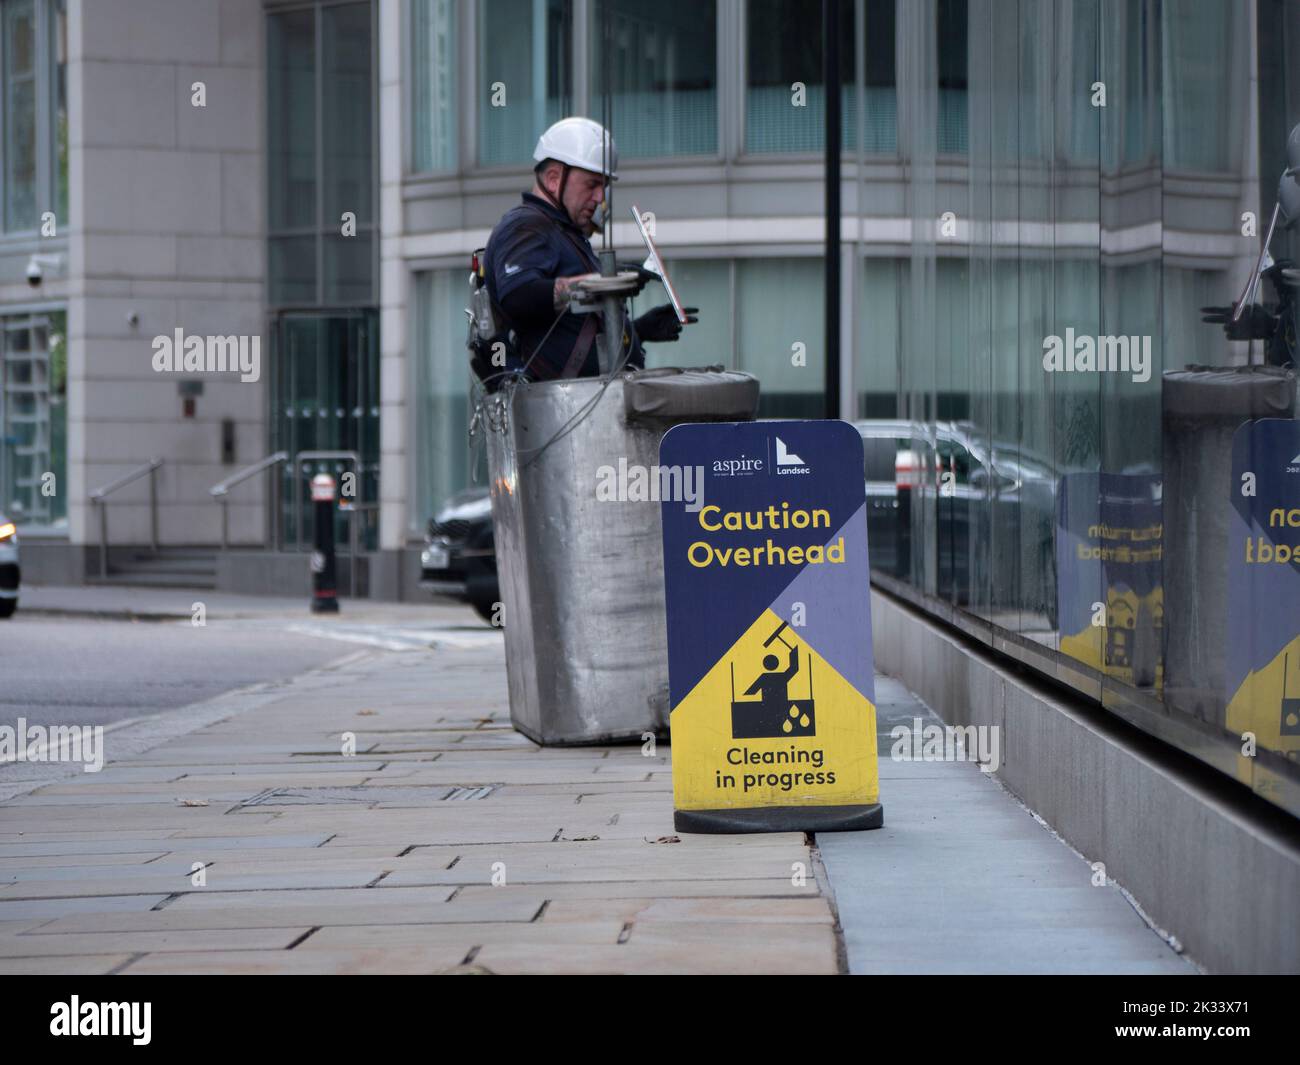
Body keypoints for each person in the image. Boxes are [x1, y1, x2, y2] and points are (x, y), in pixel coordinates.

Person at [484, 116, 696, 380]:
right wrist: (601, 283)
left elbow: (567, 331)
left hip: (585, 405)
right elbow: (518, 295)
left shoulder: (562, 233)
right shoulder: (526, 225)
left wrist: (638, 330)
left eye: (603, 187)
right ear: (553, 179)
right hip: (565, 412)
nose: (600, 199)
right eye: (592, 185)